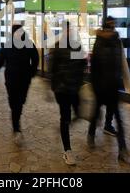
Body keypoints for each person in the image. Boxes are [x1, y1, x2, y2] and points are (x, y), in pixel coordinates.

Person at [0, 24, 39, 146]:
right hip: (11, 79)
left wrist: (31, 72)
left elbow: (36, 59)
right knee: (14, 103)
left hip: (24, 79)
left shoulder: (28, 44)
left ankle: (16, 122)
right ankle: (16, 126)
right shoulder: (8, 45)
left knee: (20, 102)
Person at [87, 16, 128, 162]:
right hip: (107, 85)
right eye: (112, 25)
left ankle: (121, 146)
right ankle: (120, 146)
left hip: (107, 85)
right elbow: (98, 65)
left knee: (110, 114)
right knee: (109, 114)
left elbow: (116, 63)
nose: (113, 28)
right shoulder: (113, 41)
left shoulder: (111, 41)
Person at [49, 21, 86, 166]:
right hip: (62, 90)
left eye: (71, 30)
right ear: (63, 31)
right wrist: (54, 86)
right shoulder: (57, 48)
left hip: (74, 88)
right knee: (65, 117)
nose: (70, 32)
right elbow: (52, 69)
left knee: (77, 112)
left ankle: (66, 124)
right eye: (67, 30)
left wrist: (79, 81)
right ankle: (68, 151)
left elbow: (81, 64)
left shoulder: (77, 45)